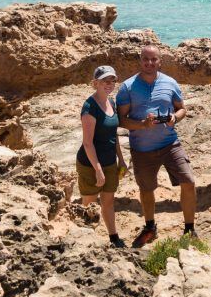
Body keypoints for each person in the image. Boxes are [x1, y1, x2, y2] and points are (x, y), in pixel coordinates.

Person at [116, 44, 196, 248]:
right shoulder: (127, 87)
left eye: (154, 59)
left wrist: (173, 118)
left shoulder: (170, 83)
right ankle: (150, 227)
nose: (149, 63)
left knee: (188, 181)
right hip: (142, 149)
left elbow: (182, 109)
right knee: (147, 189)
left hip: (170, 143)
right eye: (145, 59)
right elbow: (121, 120)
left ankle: (189, 229)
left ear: (160, 61)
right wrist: (142, 124)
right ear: (140, 60)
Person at [75, 65, 128, 248]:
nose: (109, 83)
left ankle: (114, 237)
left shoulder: (111, 102)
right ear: (95, 83)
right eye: (105, 80)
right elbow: (88, 143)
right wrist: (97, 170)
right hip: (90, 164)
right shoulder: (89, 107)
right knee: (88, 206)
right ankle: (82, 240)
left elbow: (114, 135)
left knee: (108, 201)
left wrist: (121, 159)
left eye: (112, 80)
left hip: (109, 162)